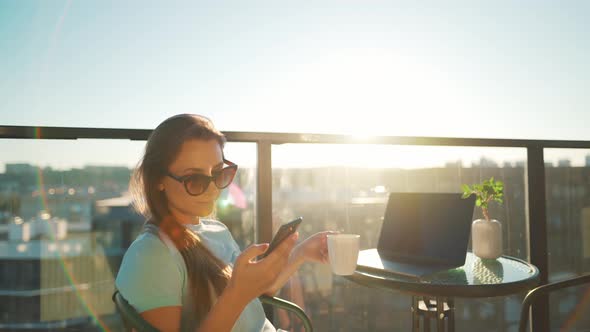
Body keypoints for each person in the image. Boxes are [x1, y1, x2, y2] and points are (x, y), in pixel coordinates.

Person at [115, 114, 332, 332]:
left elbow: (251, 298)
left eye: (218, 173)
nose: (213, 189)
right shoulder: (151, 256)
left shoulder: (215, 229)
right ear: (158, 180)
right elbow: (240, 296)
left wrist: (302, 252)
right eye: (194, 179)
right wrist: (237, 294)